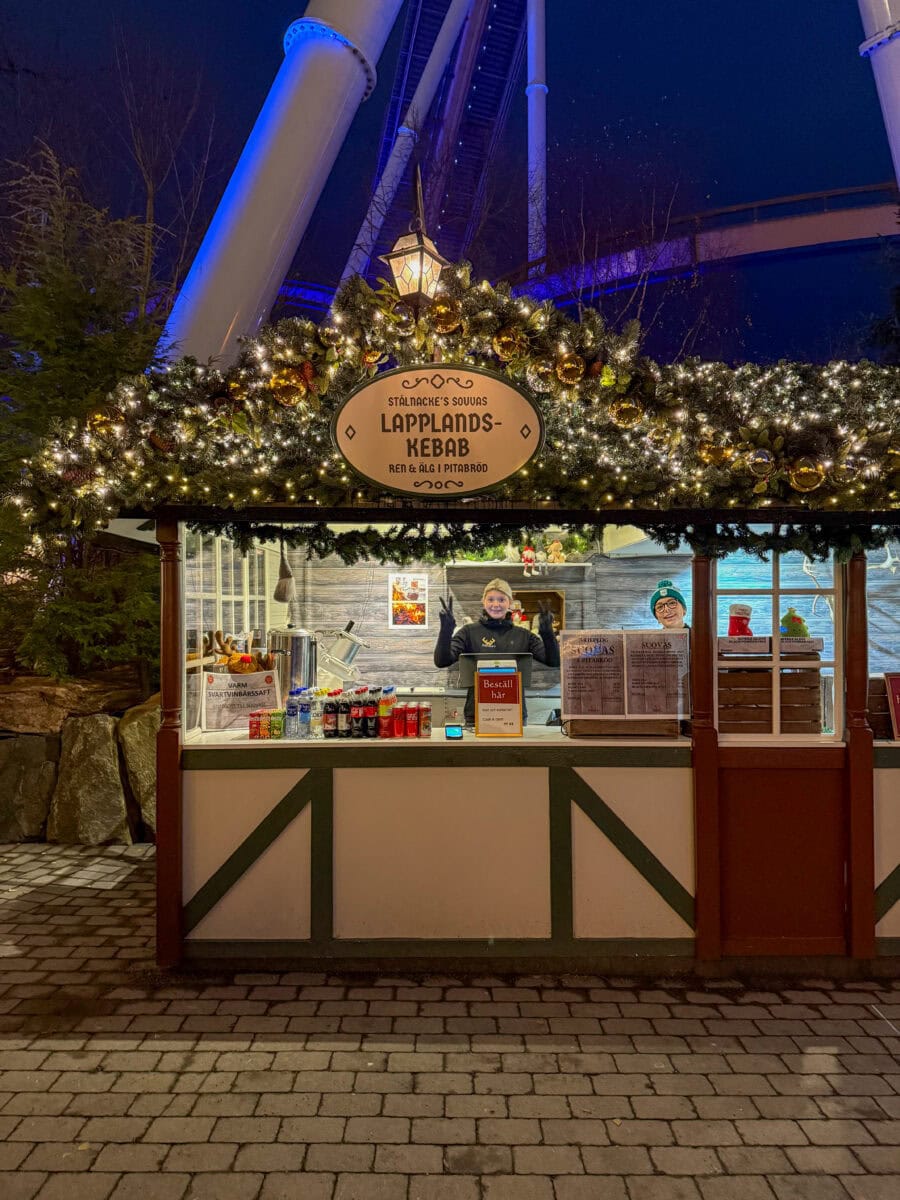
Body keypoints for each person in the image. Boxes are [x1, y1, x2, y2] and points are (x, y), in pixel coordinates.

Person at [435, 578, 560, 724]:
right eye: (491, 599)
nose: (496, 604)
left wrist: (547, 633)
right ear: (483, 601)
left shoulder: (523, 635)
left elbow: (553, 661)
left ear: (510, 603)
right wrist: (445, 630)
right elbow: (441, 661)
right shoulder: (468, 632)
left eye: (501, 599)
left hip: (514, 715)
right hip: (476, 715)